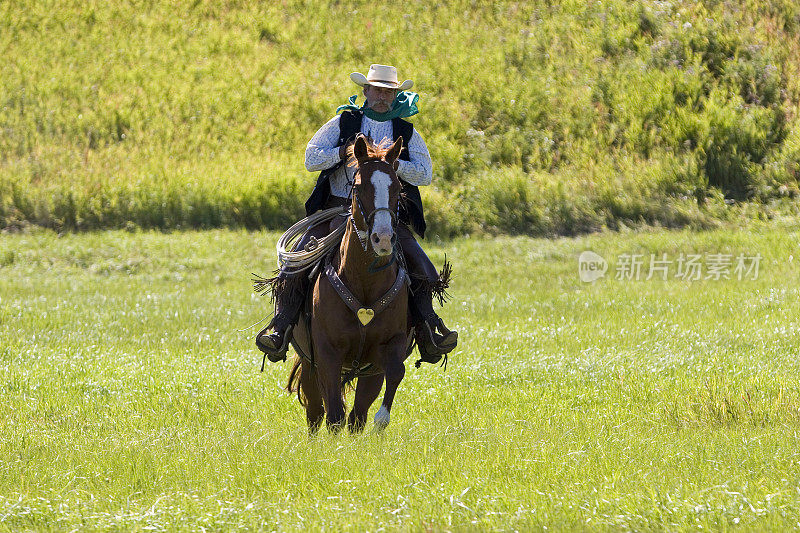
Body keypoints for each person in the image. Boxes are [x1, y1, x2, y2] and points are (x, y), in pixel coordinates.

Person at [257, 64, 457, 364]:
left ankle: (429, 332)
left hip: (385, 215)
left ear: (395, 95)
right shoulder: (343, 122)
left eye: (388, 92)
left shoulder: (406, 130)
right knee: (295, 264)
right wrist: (342, 153)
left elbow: (425, 174)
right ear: (365, 91)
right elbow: (311, 157)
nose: (382, 96)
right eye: (377, 90)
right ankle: (281, 328)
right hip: (335, 209)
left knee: (423, 269)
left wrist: (390, 166)